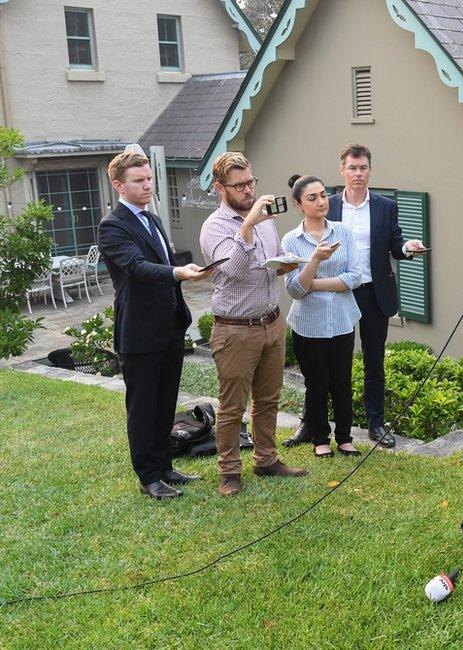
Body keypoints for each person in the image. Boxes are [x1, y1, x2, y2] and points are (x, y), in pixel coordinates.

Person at [283, 144, 426, 449]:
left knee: (374, 361)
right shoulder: (327, 204)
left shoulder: (386, 206)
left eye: (363, 167)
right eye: (352, 167)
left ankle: (375, 423)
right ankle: (310, 424)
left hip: (374, 292)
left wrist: (406, 248)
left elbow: (394, 243)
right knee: (320, 368)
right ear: (342, 170)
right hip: (332, 296)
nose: (358, 173)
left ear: (370, 170)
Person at [98, 152, 212, 499]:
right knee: (144, 407)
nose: (148, 185)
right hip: (140, 332)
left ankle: (165, 467)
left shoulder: (152, 219)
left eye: (149, 178)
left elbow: (162, 261)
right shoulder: (113, 226)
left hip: (170, 327)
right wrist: (179, 272)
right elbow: (136, 267)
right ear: (118, 185)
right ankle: (148, 476)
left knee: (165, 403)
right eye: (139, 180)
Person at [199, 152, 307, 497]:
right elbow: (231, 270)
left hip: (271, 323)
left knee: (268, 398)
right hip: (235, 328)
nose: (248, 190)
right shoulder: (214, 226)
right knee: (232, 407)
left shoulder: (266, 219)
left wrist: (286, 265)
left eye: (251, 182)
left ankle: (266, 458)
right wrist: (247, 226)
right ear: (221, 188)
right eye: (240, 185)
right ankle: (230, 472)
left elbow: (268, 264)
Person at [281, 173, 362, 458]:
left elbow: (354, 277)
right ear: (298, 204)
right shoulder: (291, 239)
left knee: (342, 381)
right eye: (312, 198)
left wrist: (313, 284)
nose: (320, 202)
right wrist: (314, 260)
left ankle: (344, 437)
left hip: (342, 319)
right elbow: (293, 290)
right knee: (316, 384)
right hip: (308, 324)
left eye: (323, 195)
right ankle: (320, 439)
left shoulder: (343, 232)